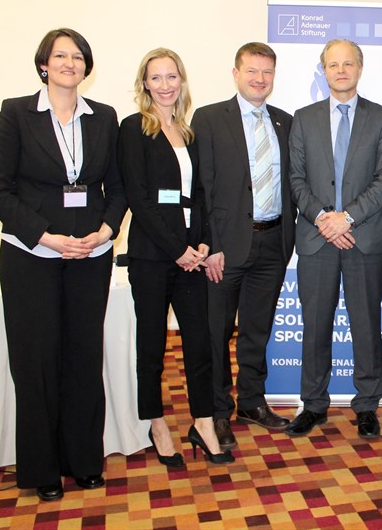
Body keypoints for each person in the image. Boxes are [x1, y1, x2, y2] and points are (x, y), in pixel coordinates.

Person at [0, 28, 127, 501]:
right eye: (60, 55)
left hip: (90, 255)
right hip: (32, 255)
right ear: (43, 64)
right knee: (37, 362)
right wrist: (45, 236)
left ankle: (83, 460)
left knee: (83, 358)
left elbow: (118, 187)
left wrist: (105, 232)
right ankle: (42, 468)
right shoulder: (16, 113)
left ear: (87, 65)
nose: (70, 63)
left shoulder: (104, 117)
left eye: (78, 56)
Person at [119, 48, 233, 465]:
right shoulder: (134, 128)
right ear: (145, 84)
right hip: (152, 256)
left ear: (181, 81)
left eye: (172, 77)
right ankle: (156, 423)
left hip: (190, 257)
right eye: (156, 77)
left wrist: (201, 244)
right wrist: (177, 250)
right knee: (152, 345)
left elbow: (198, 195)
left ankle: (203, 422)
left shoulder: (188, 132)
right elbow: (139, 198)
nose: (165, 85)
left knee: (200, 343)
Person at [287, 39, 382, 439]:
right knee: (315, 327)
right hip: (316, 239)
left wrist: (346, 218)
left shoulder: (381, 118)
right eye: (333, 65)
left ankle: (367, 405)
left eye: (348, 63)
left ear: (360, 68)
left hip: (363, 238)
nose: (341, 71)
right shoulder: (303, 118)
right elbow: (295, 178)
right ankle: (314, 404)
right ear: (324, 70)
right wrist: (323, 219)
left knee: (366, 325)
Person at [193, 43, 297, 450]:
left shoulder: (285, 122)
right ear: (235, 73)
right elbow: (202, 187)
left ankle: (252, 401)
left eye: (267, 72)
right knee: (216, 332)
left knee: (257, 330)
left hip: (273, 242)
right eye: (252, 70)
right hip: (225, 248)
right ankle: (218, 411)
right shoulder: (208, 119)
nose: (260, 79)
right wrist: (212, 245)